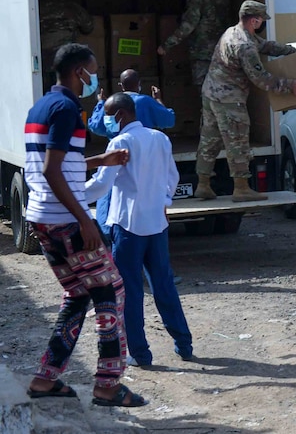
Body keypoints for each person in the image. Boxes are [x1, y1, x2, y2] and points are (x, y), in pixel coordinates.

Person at [23, 43, 147, 408]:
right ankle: (108, 384)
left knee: (78, 294)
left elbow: (56, 164)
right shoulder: (66, 108)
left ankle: (45, 379)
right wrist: (84, 220)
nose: (94, 77)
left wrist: (99, 160)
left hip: (42, 216)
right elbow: (51, 170)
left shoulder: (42, 106)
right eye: (92, 69)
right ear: (79, 72)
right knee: (112, 291)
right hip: (65, 220)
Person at [84, 93, 192, 367]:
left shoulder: (120, 142)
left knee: (130, 292)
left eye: (108, 115)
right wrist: (163, 201)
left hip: (128, 228)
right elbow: (172, 177)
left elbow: (100, 186)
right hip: (157, 224)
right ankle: (184, 344)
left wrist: (71, 194)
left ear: (120, 115)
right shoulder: (160, 138)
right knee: (164, 285)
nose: (106, 121)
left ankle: (140, 353)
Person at [196, 0, 296, 203]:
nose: (262, 24)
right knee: (237, 141)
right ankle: (241, 188)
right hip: (229, 99)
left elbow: (265, 45)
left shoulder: (233, 32)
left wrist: (290, 50)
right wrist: (290, 84)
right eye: (261, 20)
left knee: (209, 139)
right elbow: (262, 79)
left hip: (211, 93)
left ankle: (203, 184)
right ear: (254, 20)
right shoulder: (244, 46)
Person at [88, 69, 177, 241]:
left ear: (120, 86)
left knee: (111, 206)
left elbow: (95, 126)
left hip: (117, 161)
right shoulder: (156, 129)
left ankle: (111, 238)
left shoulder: (113, 107)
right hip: (148, 160)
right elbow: (168, 120)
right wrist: (158, 100)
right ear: (139, 85)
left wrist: (100, 103)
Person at [157, 0, 232, 86]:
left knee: (204, 88)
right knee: (220, 86)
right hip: (222, 50)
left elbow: (188, 25)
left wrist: (167, 45)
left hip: (202, 52)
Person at [38, 0, 94, 95]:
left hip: (42, 65)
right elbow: (88, 27)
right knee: (68, 96)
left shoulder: (34, 9)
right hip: (67, 63)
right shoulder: (71, 8)